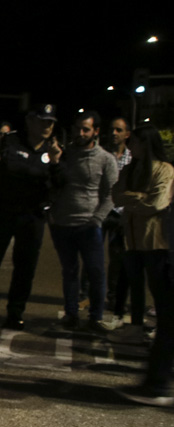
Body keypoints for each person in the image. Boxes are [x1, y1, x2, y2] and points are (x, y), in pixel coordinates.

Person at [0, 105, 60, 330]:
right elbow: (4, 170)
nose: (47, 126)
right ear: (30, 121)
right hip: (4, 211)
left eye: (51, 122)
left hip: (32, 216)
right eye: (42, 121)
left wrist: (55, 163)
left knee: (25, 268)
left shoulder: (53, 149)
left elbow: (57, 184)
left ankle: (15, 313)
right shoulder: (10, 141)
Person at [111, 126, 172, 390]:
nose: (129, 145)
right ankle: (138, 329)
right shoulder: (129, 170)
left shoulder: (164, 169)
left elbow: (157, 203)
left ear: (145, 144)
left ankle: (159, 378)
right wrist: (139, 198)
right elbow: (116, 195)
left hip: (156, 243)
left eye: (133, 141)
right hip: (131, 241)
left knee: (164, 303)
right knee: (135, 286)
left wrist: (134, 199)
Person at [47, 111, 118, 331]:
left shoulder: (106, 159)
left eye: (85, 129)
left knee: (95, 272)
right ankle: (71, 314)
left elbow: (112, 193)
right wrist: (55, 161)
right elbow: (53, 183)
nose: (80, 133)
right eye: (78, 128)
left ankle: (95, 317)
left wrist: (97, 219)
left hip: (88, 225)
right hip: (62, 223)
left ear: (95, 131)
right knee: (69, 271)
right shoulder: (66, 154)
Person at [105, 117, 136, 329]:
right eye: (112, 129)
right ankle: (86, 295)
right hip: (102, 210)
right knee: (93, 257)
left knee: (118, 257)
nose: (114, 133)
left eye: (119, 130)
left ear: (127, 134)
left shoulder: (132, 158)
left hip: (121, 212)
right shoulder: (104, 155)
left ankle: (114, 297)